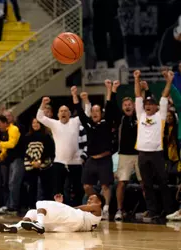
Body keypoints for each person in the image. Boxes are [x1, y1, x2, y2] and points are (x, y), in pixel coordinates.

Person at [134, 70, 177, 221]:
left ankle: (169, 210)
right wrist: (136, 78)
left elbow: (164, 96)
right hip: (142, 154)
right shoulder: (140, 115)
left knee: (163, 183)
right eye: (146, 104)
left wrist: (169, 81)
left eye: (151, 104)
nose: (148, 106)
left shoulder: (161, 116)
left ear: (156, 107)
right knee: (147, 184)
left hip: (157, 154)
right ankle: (152, 210)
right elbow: (138, 96)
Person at [72, 84, 116, 220]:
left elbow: (109, 105)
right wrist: (74, 95)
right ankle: (94, 203)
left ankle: (106, 209)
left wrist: (109, 89)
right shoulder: (88, 124)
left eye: (97, 111)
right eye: (93, 111)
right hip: (92, 159)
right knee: (86, 186)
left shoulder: (106, 123)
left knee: (105, 185)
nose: (95, 113)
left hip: (104, 159)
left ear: (101, 113)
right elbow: (79, 111)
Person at [36, 97, 90, 205]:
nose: (63, 112)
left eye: (66, 111)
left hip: (75, 162)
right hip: (59, 162)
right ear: (58, 114)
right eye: (61, 111)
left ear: (69, 114)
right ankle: (59, 210)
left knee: (77, 189)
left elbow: (87, 114)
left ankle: (77, 210)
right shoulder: (54, 124)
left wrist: (86, 100)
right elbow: (40, 117)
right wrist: (42, 103)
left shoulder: (75, 121)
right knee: (57, 189)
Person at [0, 193, 103, 234]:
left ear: (99, 202)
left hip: (77, 219)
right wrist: (61, 206)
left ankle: (39, 224)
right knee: (33, 212)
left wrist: (63, 206)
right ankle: (15, 227)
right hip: (70, 227)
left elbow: (80, 208)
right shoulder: (94, 216)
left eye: (91, 199)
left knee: (42, 203)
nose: (89, 201)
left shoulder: (98, 207)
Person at [113, 81, 141, 222]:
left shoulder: (140, 116)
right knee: (122, 183)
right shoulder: (121, 118)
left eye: (130, 104)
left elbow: (140, 97)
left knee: (144, 183)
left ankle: (149, 209)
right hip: (124, 155)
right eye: (125, 105)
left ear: (134, 106)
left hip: (139, 153)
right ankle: (119, 210)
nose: (127, 106)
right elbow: (111, 105)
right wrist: (113, 90)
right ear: (122, 108)